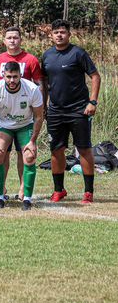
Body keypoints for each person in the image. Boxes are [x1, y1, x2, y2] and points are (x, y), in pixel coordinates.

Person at [41, 19, 101, 204]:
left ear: (69, 34)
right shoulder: (47, 56)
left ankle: (88, 192)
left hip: (78, 110)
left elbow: (95, 76)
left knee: (83, 149)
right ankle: (59, 190)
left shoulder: (78, 53)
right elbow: (44, 82)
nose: (59, 35)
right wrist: (44, 107)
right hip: (55, 111)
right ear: (51, 35)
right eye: (56, 32)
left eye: (63, 32)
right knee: (56, 150)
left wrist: (92, 102)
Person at [0, 26, 42, 200]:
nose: (12, 40)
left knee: (25, 154)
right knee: (0, 154)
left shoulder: (31, 60)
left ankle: (23, 190)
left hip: (24, 117)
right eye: (9, 37)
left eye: (16, 37)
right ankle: (0, 191)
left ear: (21, 39)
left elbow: (39, 85)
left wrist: (42, 105)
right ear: (4, 40)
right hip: (4, 120)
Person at [0, 62, 44, 210]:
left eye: (15, 77)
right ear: (3, 75)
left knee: (29, 156)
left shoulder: (32, 89)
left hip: (25, 124)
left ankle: (27, 199)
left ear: (20, 76)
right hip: (3, 125)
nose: (11, 80)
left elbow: (39, 117)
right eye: (8, 77)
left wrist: (33, 141)